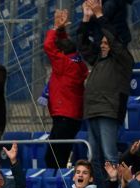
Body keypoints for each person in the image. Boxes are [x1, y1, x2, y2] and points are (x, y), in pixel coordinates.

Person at [77, 0, 134, 188]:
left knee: (110, 156)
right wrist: (85, 19)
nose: (102, 45)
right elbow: (82, 43)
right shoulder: (98, 60)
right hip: (92, 110)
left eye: (105, 43)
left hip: (108, 110)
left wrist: (100, 15)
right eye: (100, 42)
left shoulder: (122, 59)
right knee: (95, 159)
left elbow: (113, 37)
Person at [43, 8, 88, 169]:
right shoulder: (77, 63)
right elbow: (63, 45)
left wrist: (55, 28)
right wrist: (61, 31)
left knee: (52, 158)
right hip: (72, 116)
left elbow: (48, 45)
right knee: (58, 155)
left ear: (61, 52)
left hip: (63, 116)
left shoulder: (63, 63)